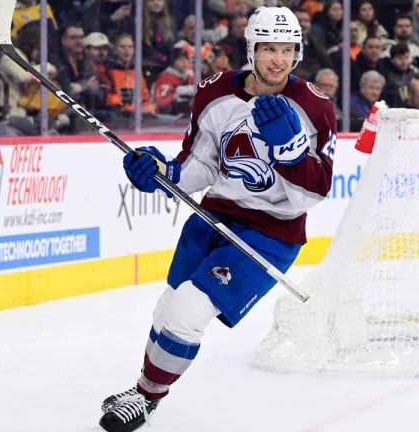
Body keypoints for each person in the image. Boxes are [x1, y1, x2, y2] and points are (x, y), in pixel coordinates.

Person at [99, 7, 337, 432]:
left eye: (287, 50)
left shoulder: (315, 108)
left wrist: (291, 156)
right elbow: (201, 165)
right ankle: (141, 389)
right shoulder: (215, 92)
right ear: (252, 49)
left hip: (271, 233)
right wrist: (164, 174)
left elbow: (314, 194)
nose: (278, 60)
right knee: (168, 308)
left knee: (189, 310)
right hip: (212, 218)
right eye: (269, 49)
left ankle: (147, 398)